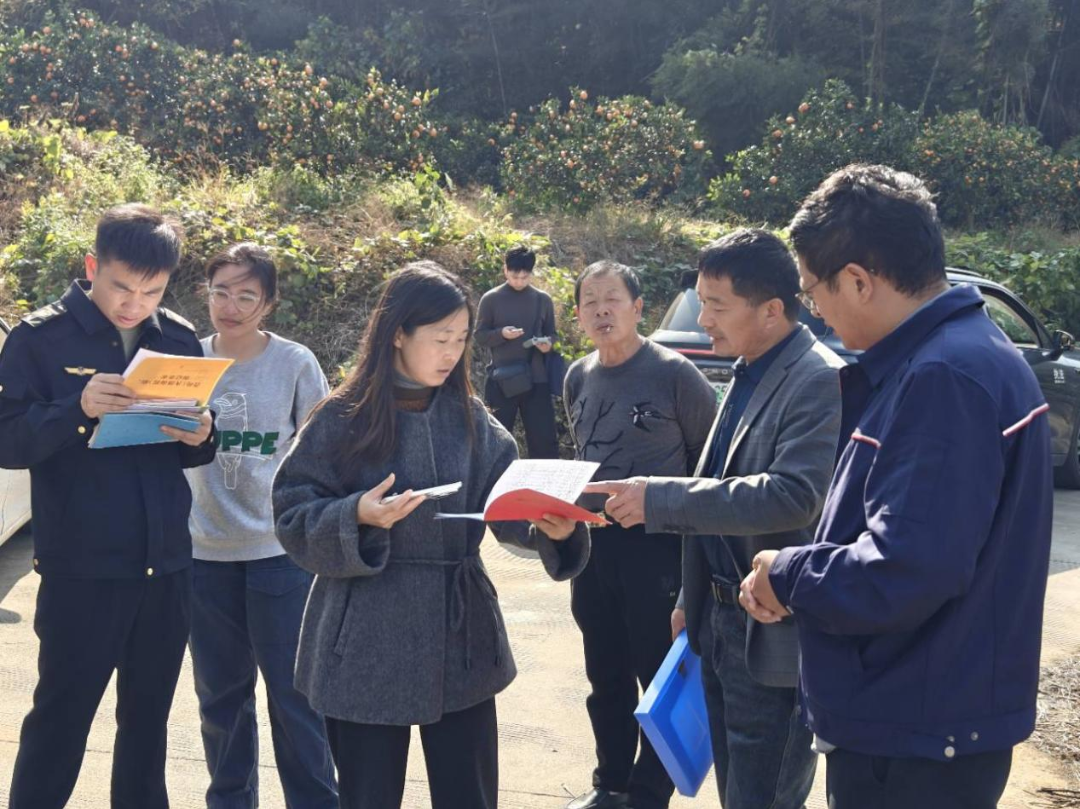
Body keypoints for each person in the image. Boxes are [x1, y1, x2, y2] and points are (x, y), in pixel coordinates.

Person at [740, 165, 1054, 809]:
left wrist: (787, 573)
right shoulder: (968, 352)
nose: (817, 314)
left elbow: (904, 570)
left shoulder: (942, 377)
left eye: (813, 292)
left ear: (858, 281)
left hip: (912, 734)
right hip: (931, 716)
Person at [271, 261, 590, 809]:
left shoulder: (470, 417)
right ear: (398, 333)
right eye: (440, 339)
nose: (451, 353)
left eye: (461, 340)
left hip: (460, 633)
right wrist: (356, 516)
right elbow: (291, 513)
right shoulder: (342, 417)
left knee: (469, 794)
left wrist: (550, 528)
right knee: (368, 796)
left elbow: (505, 502)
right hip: (364, 633)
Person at [588, 231, 844, 809]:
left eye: (717, 306)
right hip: (719, 621)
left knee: (764, 796)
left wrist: (658, 498)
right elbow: (719, 480)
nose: (702, 320)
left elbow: (792, 496)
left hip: (772, 630)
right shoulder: (749, 369)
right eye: (701, 302)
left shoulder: (816, 378)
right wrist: (691, 594)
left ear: (772, 310)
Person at [0, 203, 215, 808]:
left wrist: (204, 435)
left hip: (165, 567)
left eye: (153, 291)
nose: (134, 304)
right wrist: (78, 409)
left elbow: (193, 449)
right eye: (122, 287)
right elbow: (7, 440)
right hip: (82, 569)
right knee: (60, 722)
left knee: (147, 728)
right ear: (93, 266)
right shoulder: (40, 338)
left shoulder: (177, 339)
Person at [184, 243, 338, 808]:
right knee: (220, 701)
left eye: (246, 295)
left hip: (279, 555)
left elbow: (323, 452)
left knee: (297, 698)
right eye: (220, 292)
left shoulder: (295, 363)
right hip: (203, 556)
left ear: (268, 303)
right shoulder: (186, 360)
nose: (230, 306)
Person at [562, 261, 717, 809]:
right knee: (604, 674)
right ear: (578, 314)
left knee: (658, 676)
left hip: (658, 547)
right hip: (595, 547)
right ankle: (611, 783)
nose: (601, 310)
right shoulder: (577, 376)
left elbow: (710, 467)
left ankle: (650, 793)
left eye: (612, 299)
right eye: (590, 301)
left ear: (638, 308)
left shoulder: (676, 375)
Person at [475, 245, 560, 459]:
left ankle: (544, 481)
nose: (519, 282)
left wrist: (548, 344)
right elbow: (480, 336)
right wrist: (502, 333)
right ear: (505, 270)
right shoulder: (491, 299)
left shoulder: (542, 299)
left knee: (544, 441)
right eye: (514, 276)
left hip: (536, 379)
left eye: (525, 277)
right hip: (502, 379)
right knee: (495, 443)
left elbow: (553, 334)